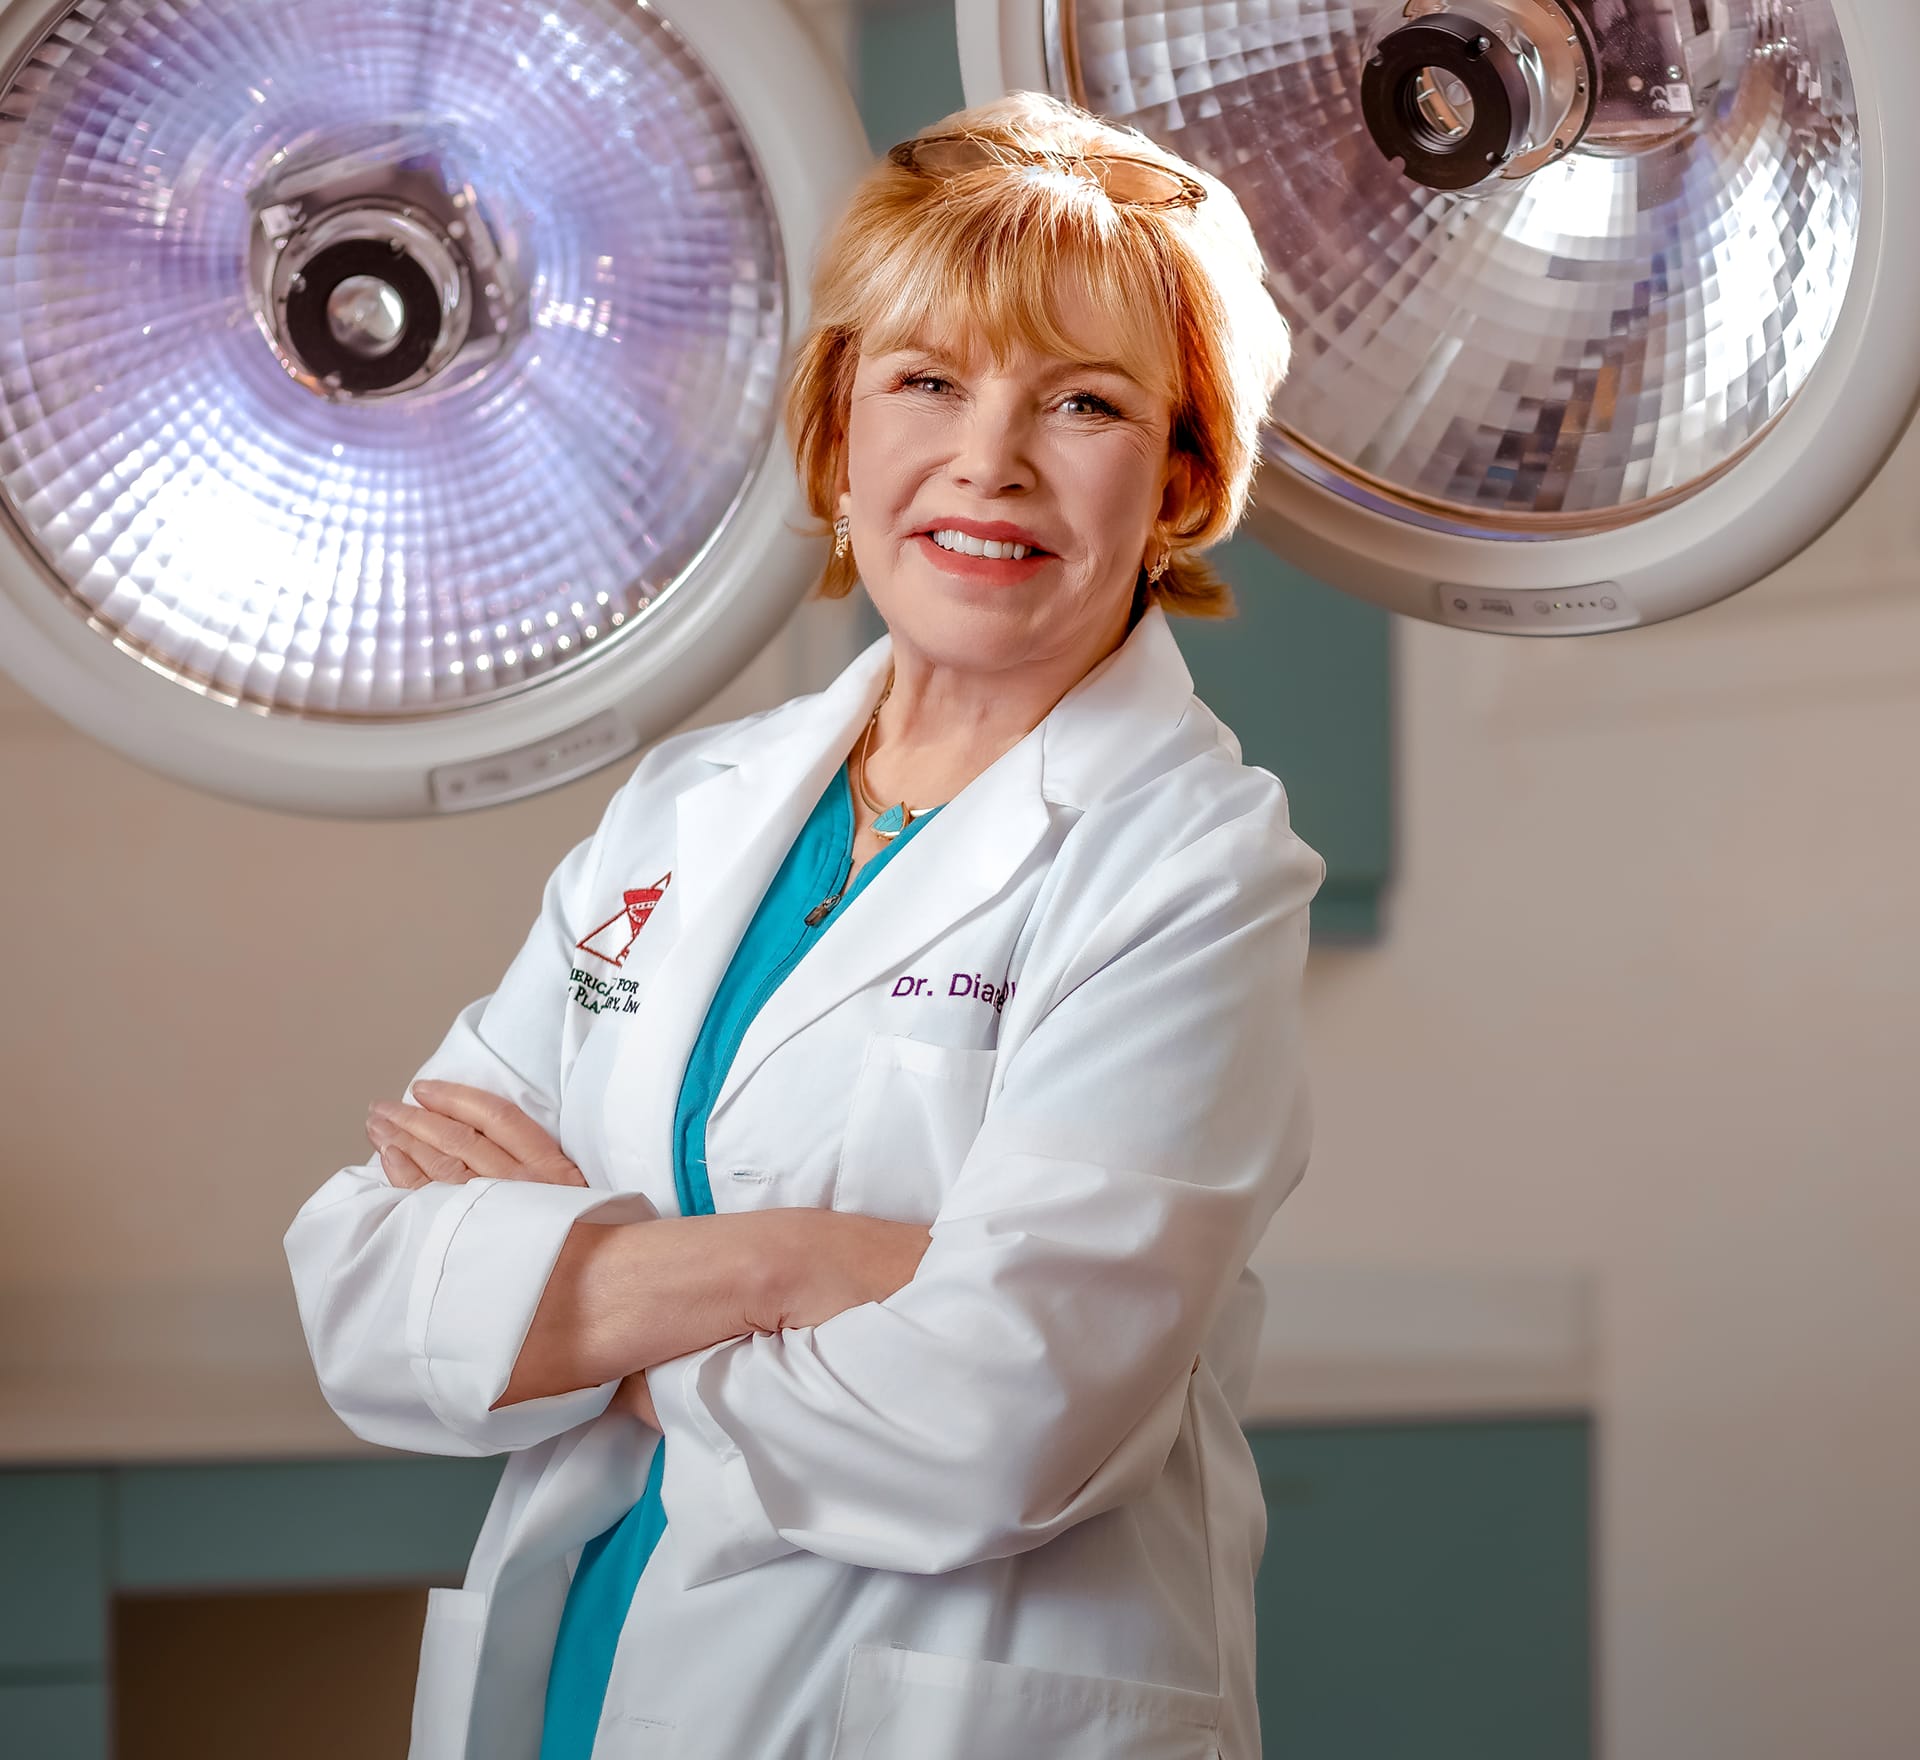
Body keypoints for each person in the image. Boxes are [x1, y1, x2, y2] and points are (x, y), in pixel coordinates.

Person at [286, 89, 1324, 1760]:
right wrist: (795, 1269)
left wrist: (566, 1298)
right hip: (585, 1687)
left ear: (1183, 474)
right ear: (841, 431)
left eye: (1082, 402)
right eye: (928, 380)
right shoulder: (693, 805)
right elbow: (365, 1292)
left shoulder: (1191, 864)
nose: (988, 460)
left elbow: (993, 1423)